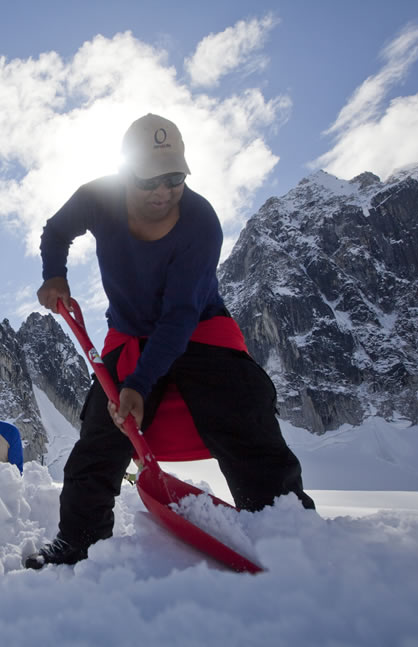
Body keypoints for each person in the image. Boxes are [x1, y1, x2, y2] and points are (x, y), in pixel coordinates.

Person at [26, 114, 314, 569]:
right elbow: (57, 231)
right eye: (149, 180)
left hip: (197, 327)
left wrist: (139, 384)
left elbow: (179, 315)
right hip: (130, 332)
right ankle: (78, 541)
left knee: (244, 416)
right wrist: (54, 274)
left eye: (174, 178)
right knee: (102, 433)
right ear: (126, 174)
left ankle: (287, 530)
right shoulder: (97, 198)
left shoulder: (200, 223)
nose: (162, 191)